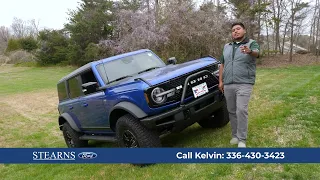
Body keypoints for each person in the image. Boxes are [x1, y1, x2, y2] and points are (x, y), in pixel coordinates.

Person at [218, 22, 260, 148]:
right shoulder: (227, 46)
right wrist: (221, 81)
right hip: (228, 83)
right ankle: (235, 135)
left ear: (244, 30)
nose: (235, 31)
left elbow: (257, 53)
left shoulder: (251, 43)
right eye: (233, 30)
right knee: (231, 110)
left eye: (238, 29)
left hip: (244, 83)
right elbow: (222, 65)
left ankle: (242, 139)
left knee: (241, 110)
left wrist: (249, 51)